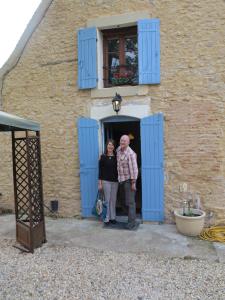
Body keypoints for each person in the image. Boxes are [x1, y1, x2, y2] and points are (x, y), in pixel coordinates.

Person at [117, 135, 138, 230]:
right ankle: (129, 216)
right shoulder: (118, 150)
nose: (122, 142)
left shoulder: (131, 153)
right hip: (120, 180)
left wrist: (133, 183)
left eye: (125, 141)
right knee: (122, 201)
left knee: (130, 202)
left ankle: (131, 223)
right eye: (121, 140)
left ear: (128, 142)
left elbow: (134, 169)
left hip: (129, 181)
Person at [98, 139, 118, 225]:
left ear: (114, 147)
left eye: (112, 145)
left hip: (115, 181)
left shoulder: (117, 157)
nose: (110, 146)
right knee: (107, 200)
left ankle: (113, 217)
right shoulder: (102, 157)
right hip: (105, 181)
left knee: (113, 200)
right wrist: (100, 183)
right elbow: (100, 171)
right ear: (107, 146)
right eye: (109, 145)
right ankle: (107, 218)